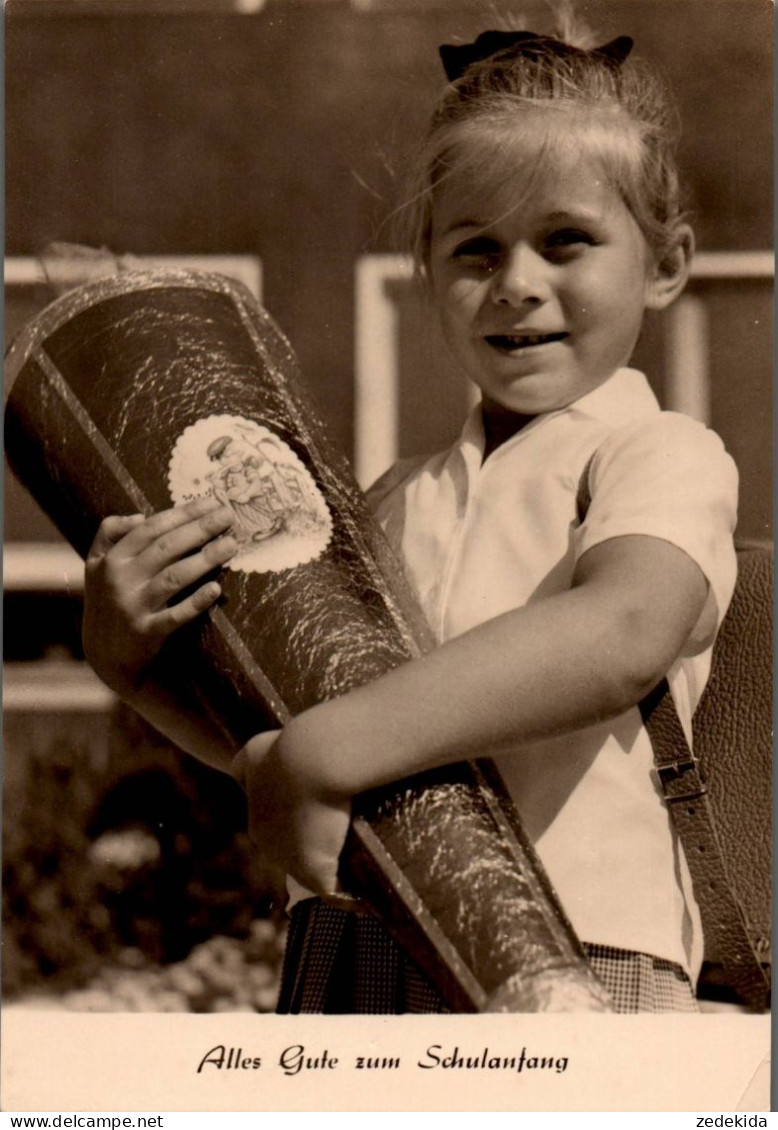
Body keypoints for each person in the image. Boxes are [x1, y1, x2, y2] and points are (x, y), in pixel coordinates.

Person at [82, 21, 738, 1014]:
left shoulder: (656, 454)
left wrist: (322, 748)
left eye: (566, 239)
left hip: (580, 945)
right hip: (353, 946)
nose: (518, 282)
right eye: (476, 248)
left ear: (665, 262)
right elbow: (280, 749)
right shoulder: (384, 501)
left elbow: (623, 631)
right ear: (426, 270)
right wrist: (133, 666)